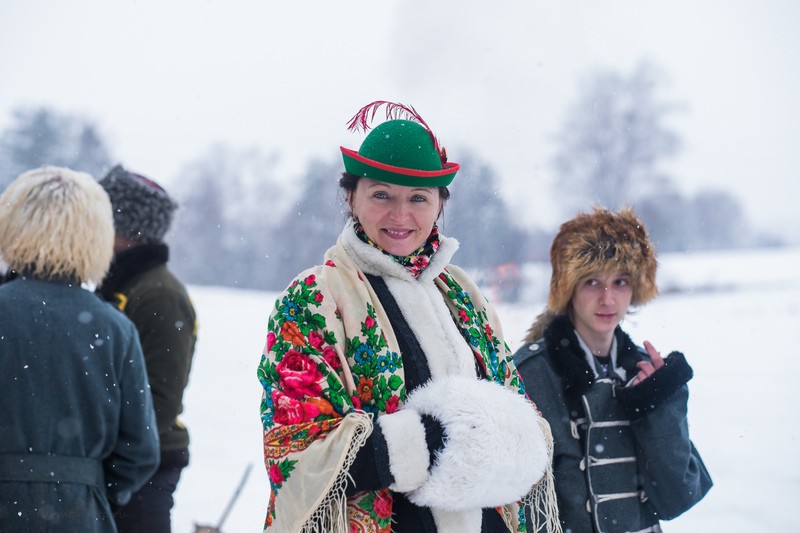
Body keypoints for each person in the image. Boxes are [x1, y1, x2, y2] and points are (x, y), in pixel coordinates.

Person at [256, 101, 560, 533]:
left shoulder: (461, 294)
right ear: (351, 196)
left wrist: (504, 437)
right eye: (382, 195)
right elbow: (295, 448)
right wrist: (425, 440)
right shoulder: (314, 298)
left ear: (439, 204)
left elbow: (520, 411)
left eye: (418, 198)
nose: (400, 216)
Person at [512, 207, 712, 533]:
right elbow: (514, 506)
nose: (608, 299)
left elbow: (679, 497)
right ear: (569, 288)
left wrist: (656, 403)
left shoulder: (648, 371)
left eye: (620, 281)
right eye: (592, 282)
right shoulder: (530, 374)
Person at [0, 166, 160, 532]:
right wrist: (83, 486)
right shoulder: (115, 329)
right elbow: (140, 450)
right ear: (95, 237)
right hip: (79, 515)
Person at [97, 164, 198, 533]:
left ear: (125, 228)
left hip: (146, 469)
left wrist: (117, 465)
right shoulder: (116, 283)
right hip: (122, 462)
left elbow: (159, 400)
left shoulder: (158, 294)